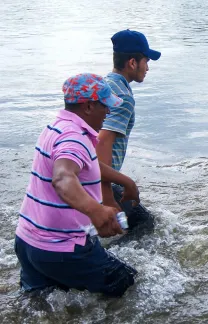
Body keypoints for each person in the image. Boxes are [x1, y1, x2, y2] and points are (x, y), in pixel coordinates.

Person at [14, 73, 138, 297]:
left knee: (39, 302)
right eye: (105, 106)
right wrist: (96, 210)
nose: (109, 112)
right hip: (61, 248)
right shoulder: (74, 138)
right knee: (127, 284)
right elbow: (63, 178)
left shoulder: (57, 127)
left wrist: (126, 181)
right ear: (89, 106)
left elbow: (88, 164)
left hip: (26, 241)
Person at [96, 29, 161, 231]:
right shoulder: (123, 97)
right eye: (146, 61)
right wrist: (106, 196)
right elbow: (103, 142)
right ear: (132, 62)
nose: (148, 68)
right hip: (98, 179)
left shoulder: (103, 84)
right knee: (144, 225)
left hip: (86, 174)